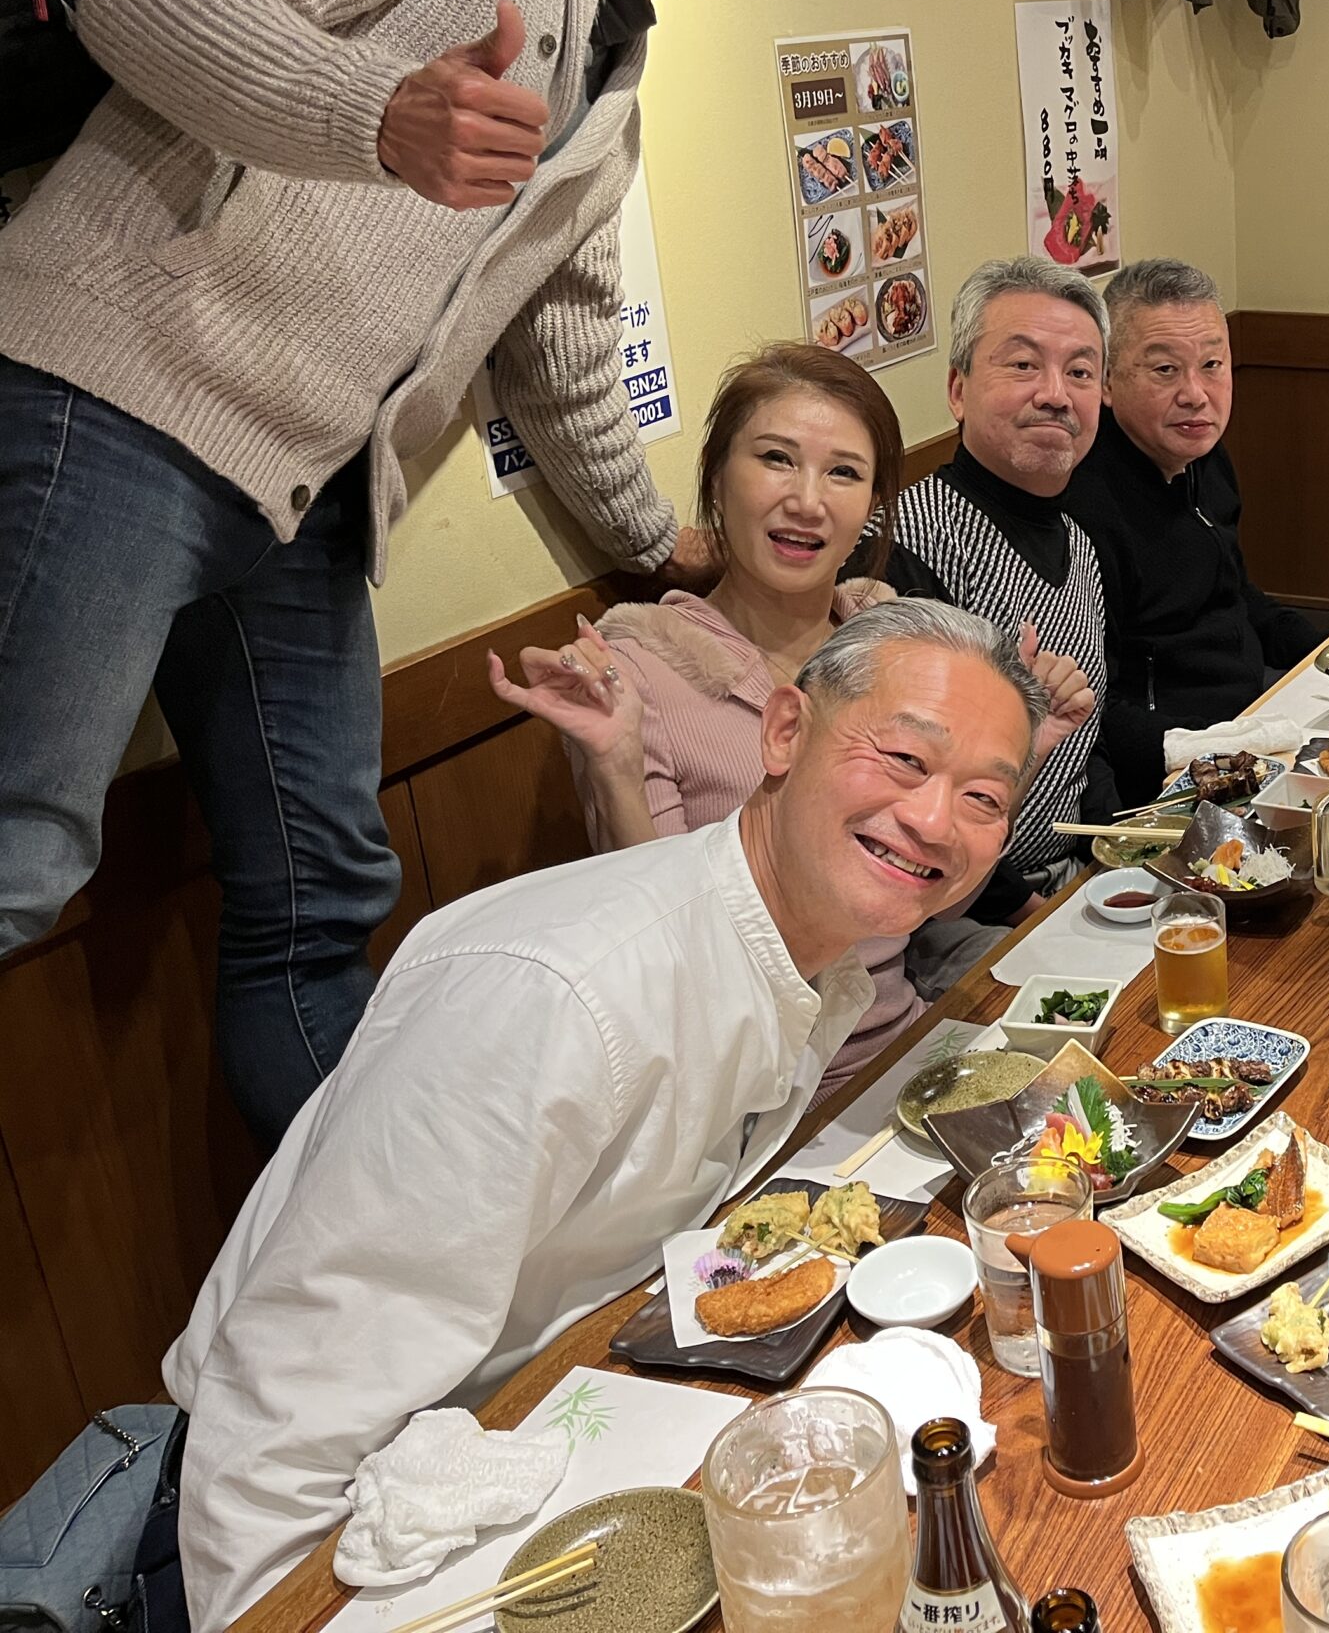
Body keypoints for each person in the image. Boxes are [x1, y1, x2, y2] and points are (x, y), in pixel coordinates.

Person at [0, 0, 832, 1147]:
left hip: (297, 497)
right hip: (121, 395)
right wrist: (372, 113)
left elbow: (562, 359)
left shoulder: (609, 93)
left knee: (323, 897)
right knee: (21, 856)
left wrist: (664, 547)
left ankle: (367, 1248)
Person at [165, 601, 1047, 1626]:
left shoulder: (804, 956)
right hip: (366, 1530)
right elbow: (273, 1445)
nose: (934, 820)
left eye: (982, 797)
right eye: (902, 758)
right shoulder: (557, 996)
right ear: (783, 732)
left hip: (575, 1428)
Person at [488, 346, 932, 1093]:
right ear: (718, 479)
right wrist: (615, 764)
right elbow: (660, 950)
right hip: (758, 1096)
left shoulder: (884, 641)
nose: (807, 500)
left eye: (844, 472)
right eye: (776, 459)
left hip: (906, 1042)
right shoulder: (641, 671)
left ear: (871, 505)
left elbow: (937, 891)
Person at [895, 258, 1116, 985]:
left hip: (1070, 877)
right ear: (958, 390)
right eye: (1023, 365)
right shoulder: (909, 542)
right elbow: (910, 788)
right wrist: (1031, 910)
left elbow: (1085, 746)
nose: (1055, 394)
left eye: (1080, 373)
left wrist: (1121, 854)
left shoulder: (1078, 544)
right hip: (948, 917)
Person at [1065, 258, 1328, 799]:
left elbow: (1237, 594)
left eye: (1212, 364)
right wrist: (1216, 754)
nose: (1196, 393)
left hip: (1252, 712)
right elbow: (1094, 709)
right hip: (1177, 765)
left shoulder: (1202, 455)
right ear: (1107, 380)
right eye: (1165, 370)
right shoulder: (1083, 504)